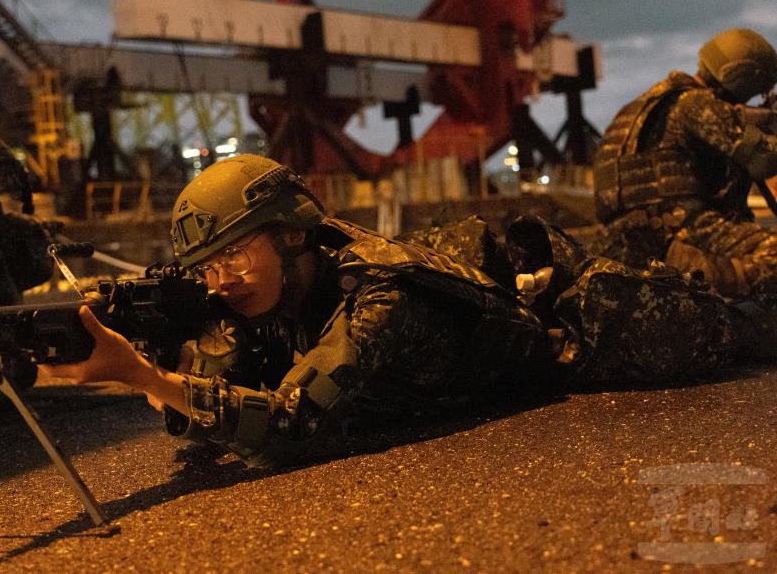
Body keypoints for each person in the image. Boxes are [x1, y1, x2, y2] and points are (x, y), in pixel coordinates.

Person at [45, 154, 763, 467]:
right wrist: (169, 351)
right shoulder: (264, 293)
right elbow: (219, 413)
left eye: (234, 255)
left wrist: (147, 377)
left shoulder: (377, 298)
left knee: (740, 322)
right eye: (206, 268)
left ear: (292, 232)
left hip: (582, 333)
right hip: (500, 297)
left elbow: (289, 426)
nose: (220, 280)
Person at [593, 27, 777, 299]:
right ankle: (707, 292)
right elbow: (764, 161)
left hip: (623, 241)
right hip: (673, 233)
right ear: (742, 75)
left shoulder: (642, 107)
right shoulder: (695, 102)